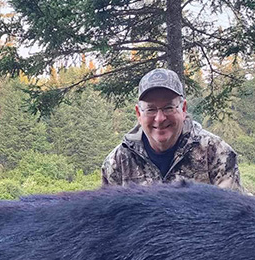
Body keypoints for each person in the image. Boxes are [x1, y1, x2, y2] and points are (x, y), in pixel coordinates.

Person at [102, 68, 242, 191]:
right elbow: (108, 218)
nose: (160, 118)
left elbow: (232, 214)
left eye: (168, 108)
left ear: (183, 109)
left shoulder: (216, 152)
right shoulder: (117, 162)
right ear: (139, 113)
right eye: (151, 109)